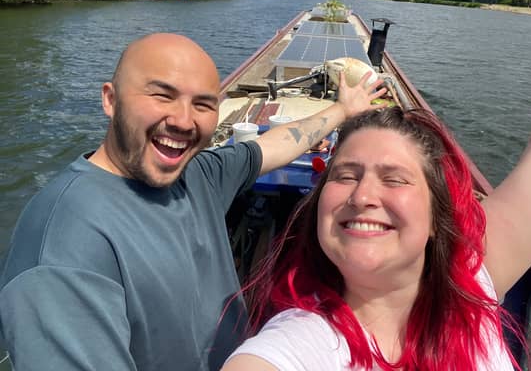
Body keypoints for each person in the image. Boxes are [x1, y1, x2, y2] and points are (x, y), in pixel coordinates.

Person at [222, 0, 531, 370]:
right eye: (345, 175)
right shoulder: (296, 344)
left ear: (437, 217)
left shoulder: (473, 283)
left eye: (395, 178)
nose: (362, 194)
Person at [0, 32, 386, 370]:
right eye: (161, 95)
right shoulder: (64, 249)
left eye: (202, 104)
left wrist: (343, 110)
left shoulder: (198, 176)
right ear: (110, 100)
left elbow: (272, 146)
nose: (184, 121)